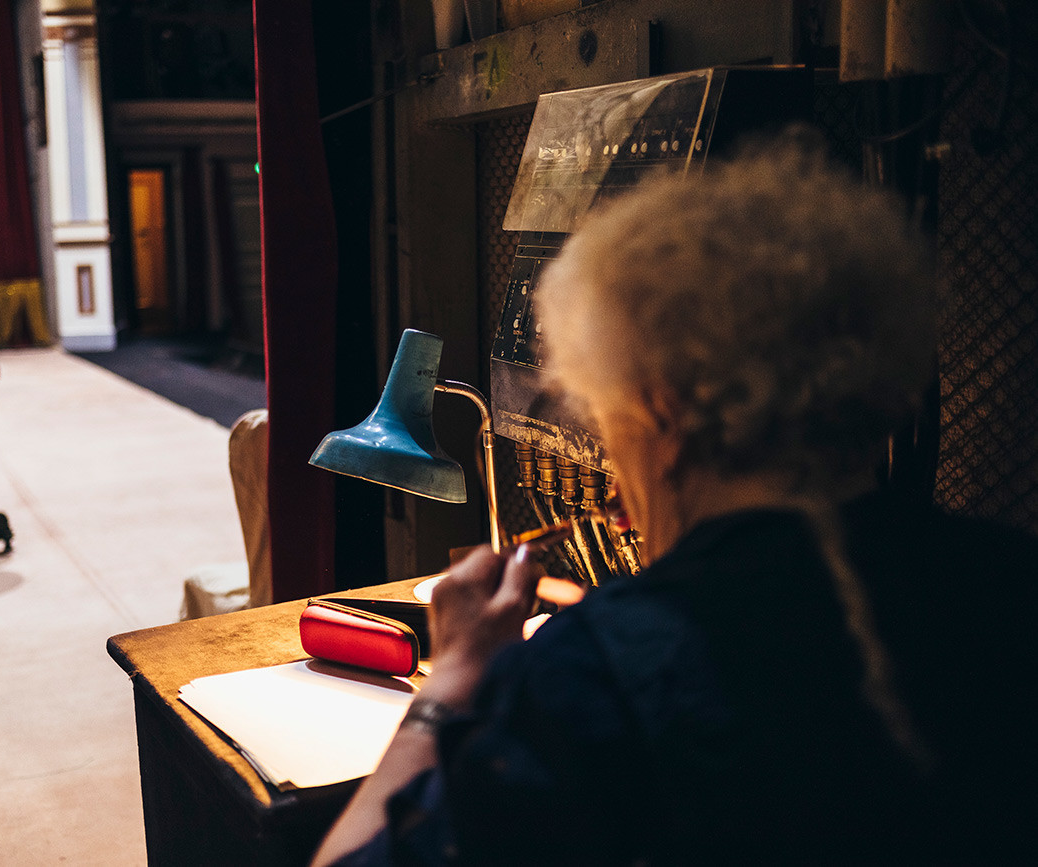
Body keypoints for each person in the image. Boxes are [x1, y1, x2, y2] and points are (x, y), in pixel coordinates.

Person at [312, 135, 1038, 865]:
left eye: (604, 417)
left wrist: (456, 681)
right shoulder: (1013, 583)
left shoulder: (595, 673)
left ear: (662, 410)